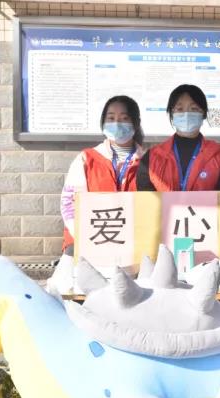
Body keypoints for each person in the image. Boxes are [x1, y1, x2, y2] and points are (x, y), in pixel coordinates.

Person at [50, 95, 145, 293]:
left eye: (124, 118)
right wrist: (86, 236)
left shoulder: (150, 161)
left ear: (135, 123)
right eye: (111, 118)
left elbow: (154, 206)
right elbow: (69, 202)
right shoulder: (87, 158)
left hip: (133, 251)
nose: (117, 123)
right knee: (71, 295)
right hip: (88, 246)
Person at [136, 84, 220, 191]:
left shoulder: (219, 154)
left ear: (204, 114)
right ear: (172, 114)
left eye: (194, 108)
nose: (187, 114)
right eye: (180, 109)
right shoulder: (152, 156)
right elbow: (145, 198)